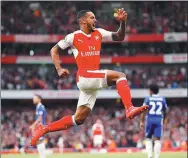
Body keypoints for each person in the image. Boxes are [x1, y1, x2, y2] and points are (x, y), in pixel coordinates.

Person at [30, 9, 149, 146]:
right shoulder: (73, 37)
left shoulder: (99, 32)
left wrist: (122, 23)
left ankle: (44, 128)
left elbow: (119, 37)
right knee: (120, 76)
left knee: (78, 119)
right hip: (85, 76)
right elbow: (54, 50)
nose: (95, 20)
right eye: (92, 17)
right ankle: (129, 108)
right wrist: (59, 68)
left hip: (91, 81)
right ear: (83, 21)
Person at [140, 84, 168, 158]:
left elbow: (143, 110)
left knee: (148, 138)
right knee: (158, 139)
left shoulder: (148, 98)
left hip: (150, 120)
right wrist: (165, 121)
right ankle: (157, 156)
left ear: (151, 91)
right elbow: (165, 111)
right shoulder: (162, 99)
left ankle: (149, 156)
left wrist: (142, 121)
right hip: (159, 120)